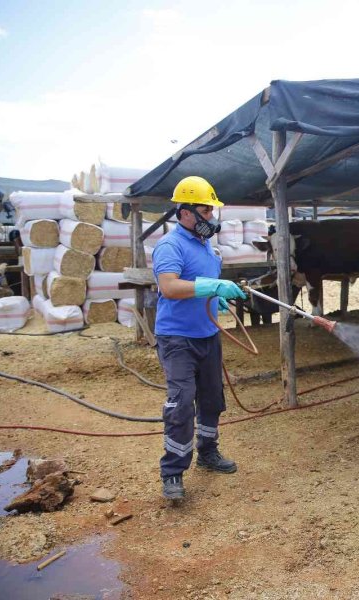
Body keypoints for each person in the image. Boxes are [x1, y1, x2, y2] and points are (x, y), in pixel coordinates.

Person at [151, 175, 248, 501]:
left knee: (211, 399)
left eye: (211, 211)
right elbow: (169, 287)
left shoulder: (207, 247)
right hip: (177, 338)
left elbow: (201, 285)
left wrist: (213, 297)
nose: (212, 217)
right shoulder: (170, 245)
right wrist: (212, 287)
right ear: (186, 212)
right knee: (181, 404)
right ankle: (173, 473)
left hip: (207, 334)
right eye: (206, 211)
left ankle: (208, 453)